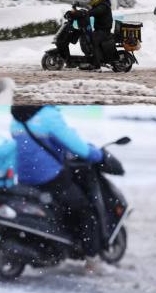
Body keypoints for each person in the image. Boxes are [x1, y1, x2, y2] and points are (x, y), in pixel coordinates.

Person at [10, 105, 105, 273]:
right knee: (84, 210)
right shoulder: (48, 116)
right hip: (49, 177)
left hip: (25, 179)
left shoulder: (17, 117)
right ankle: (92, 260)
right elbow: (78, 147)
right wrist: (97, 155)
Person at [85, 0, 113, 70]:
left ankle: (96, 65)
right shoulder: (99, 3)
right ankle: (92, 59)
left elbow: (96, 11)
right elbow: (92, 10)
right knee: (88, 38)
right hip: (99, 29)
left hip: (104, 31)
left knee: (94, 41)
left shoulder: (104, 5)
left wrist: (87, 13)